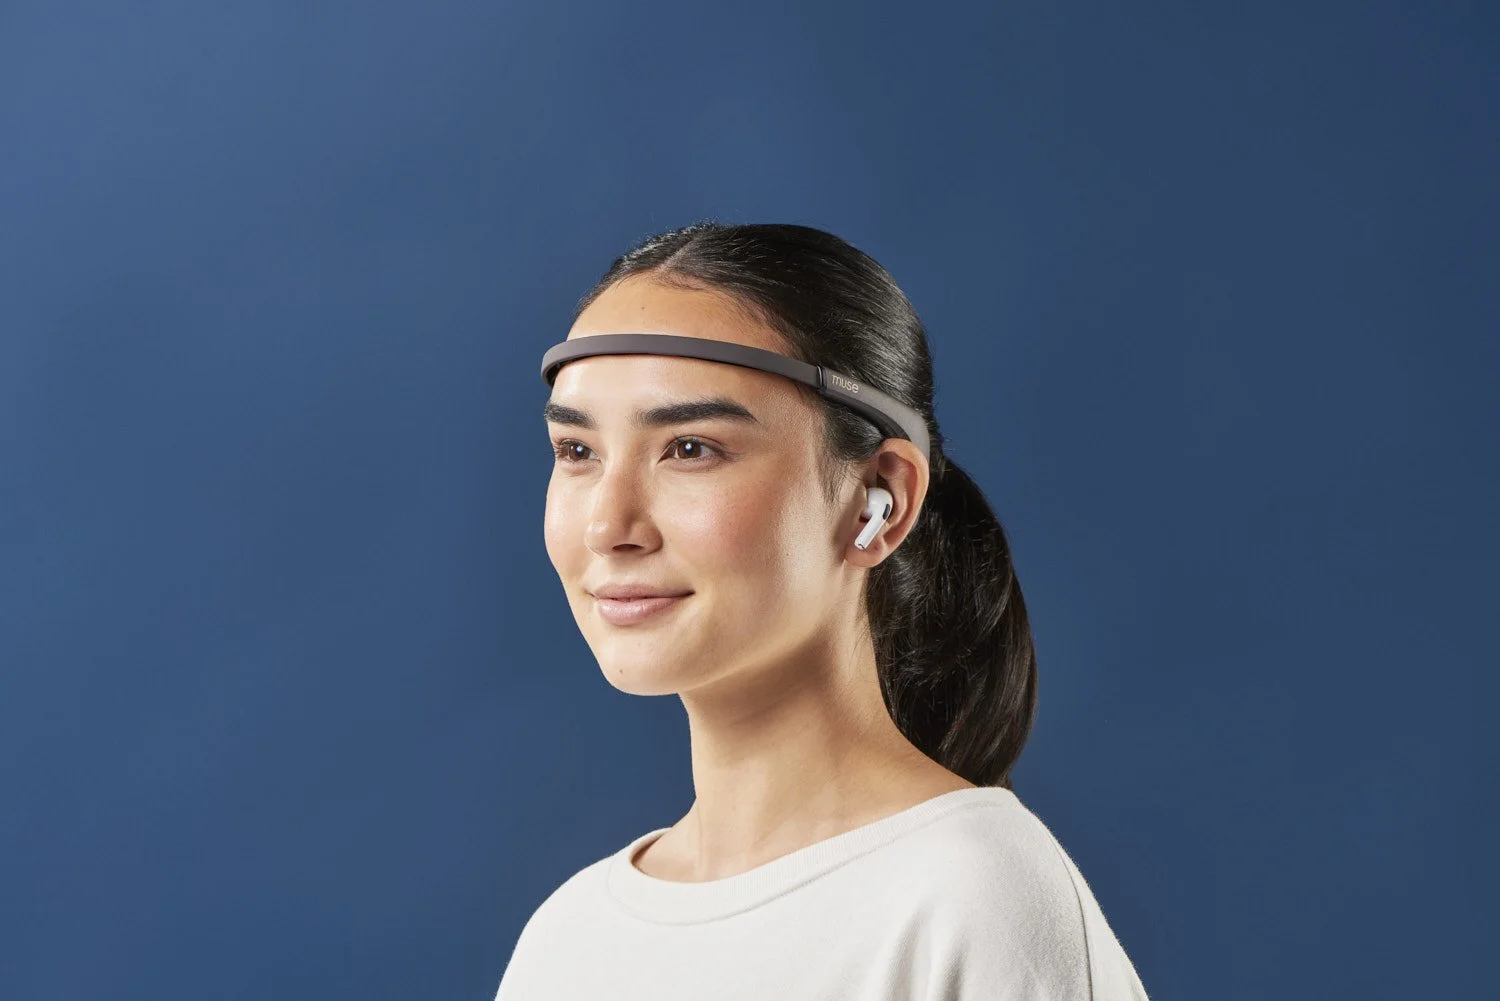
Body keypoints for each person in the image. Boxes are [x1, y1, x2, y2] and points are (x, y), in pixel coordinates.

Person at [494, 221, 1150, 999]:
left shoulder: (966, 896)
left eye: (691, 448)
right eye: (577, 453)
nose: (608, 525)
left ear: (882, 499)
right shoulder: (568, 940)